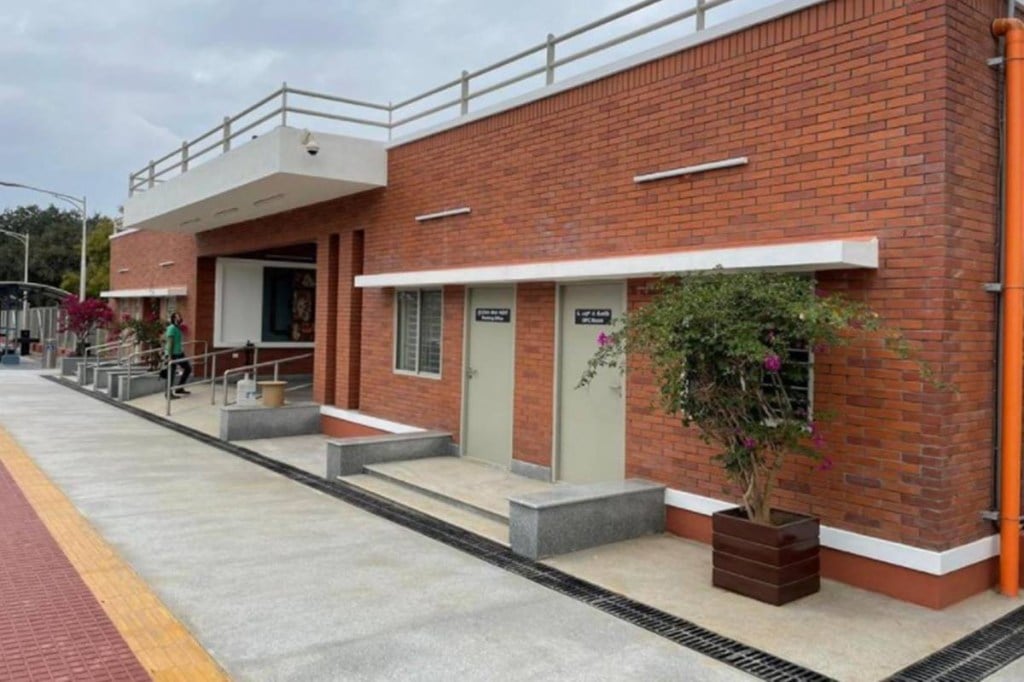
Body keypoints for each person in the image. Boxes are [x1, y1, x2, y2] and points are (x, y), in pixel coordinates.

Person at [165, 312, 192, 398]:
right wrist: (169, 356)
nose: (179, 318)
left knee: (188, 368)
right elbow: (170, 342)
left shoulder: (177, 328)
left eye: (180, 317)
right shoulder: (171, 328)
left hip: (179, 353)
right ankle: (168, 393)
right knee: (171, 374)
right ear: (173, 319)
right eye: (177, 317)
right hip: (172, 354)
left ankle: (179, 388)